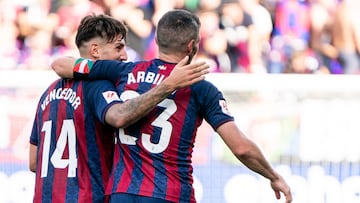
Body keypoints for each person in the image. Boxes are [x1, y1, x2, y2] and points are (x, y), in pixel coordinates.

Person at [51, 9, 292, 203]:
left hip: (122, 193)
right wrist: (273, 176)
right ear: (192, 45)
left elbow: (61, 65)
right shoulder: (201, 88)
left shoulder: (125, 71)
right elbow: (241, 148)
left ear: (156, 40)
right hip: (171, 193)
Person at [29, 14, 209, 203]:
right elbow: (119, 116)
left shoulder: (48, 94)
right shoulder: (99, 87)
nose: (124, 55)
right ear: (95, 51)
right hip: (88, 197)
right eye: (119, 47)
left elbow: (34, 161)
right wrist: (167, 86)